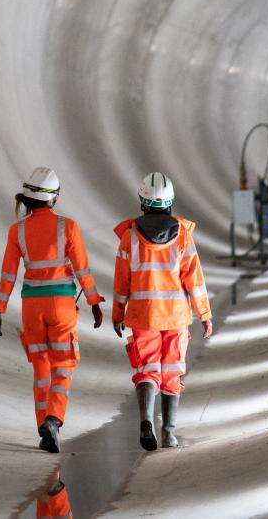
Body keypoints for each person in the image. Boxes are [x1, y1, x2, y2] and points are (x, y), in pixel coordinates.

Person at [0, 167, 103, 453]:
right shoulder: (68, 227)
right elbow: (82, 269)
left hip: (32, 306)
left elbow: (8, 275)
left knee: (41, 367)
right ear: (53, 199)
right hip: (62, 304)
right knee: (63, 365)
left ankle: (43, 428)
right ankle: (54, 418)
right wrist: (93, 302)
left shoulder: (18, 230)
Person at [111, 172, 213, 451]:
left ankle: (146, 420)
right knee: (172, 372)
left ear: (142, 201)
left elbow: (122, 280)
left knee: (146, 370)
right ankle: (168, 432)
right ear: (171, 202)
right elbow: (194, 278)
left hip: (143, 316)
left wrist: (117, 312)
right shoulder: (182, 236)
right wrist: (204, 313)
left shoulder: (129, 237)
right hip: (176, 316)